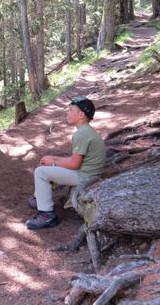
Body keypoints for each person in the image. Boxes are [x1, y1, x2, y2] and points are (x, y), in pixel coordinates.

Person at [25, 96, 106, 230]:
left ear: (81, 115)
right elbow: (76, 160)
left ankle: (47, 215)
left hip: (85, 177)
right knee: (47, 166)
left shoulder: (81, 134)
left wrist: (53, 161)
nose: (67, 113)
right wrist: (53, 160)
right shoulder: (86, 131)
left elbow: (74, 164)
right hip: (89, 173)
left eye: (70, 110)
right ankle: (39, 199)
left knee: (40, 172)